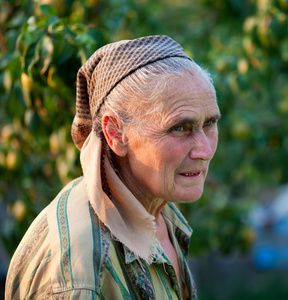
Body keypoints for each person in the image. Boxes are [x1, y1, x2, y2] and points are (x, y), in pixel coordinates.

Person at [5, 35, 220, 299]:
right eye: (179, 128)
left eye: (209, 124)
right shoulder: (80, 276)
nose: (205, 150)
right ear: (115, 133)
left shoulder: (157, 211)